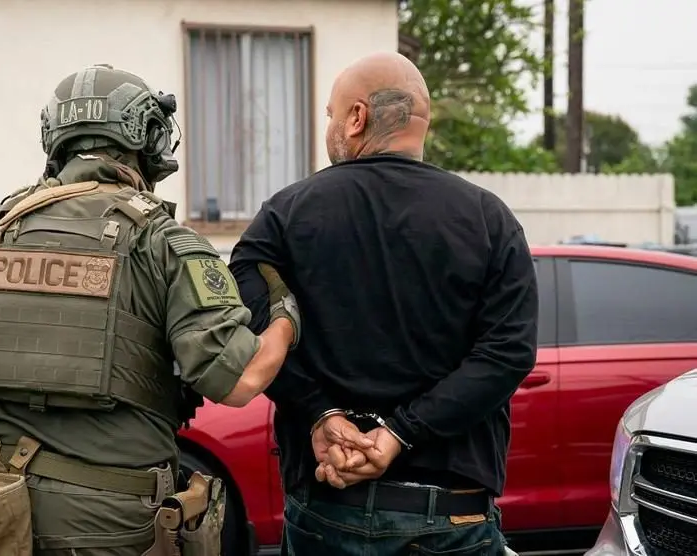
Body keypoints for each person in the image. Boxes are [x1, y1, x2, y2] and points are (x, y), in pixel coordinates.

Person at [0, 64, 301, 556]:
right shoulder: (165, 243)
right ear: (147, 137)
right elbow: (239, 379)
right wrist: (284, 319)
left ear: (56, 138)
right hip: (116, 526)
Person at [228, 52, 538, 555]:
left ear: (357, 117)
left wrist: (320, 414)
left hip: (327, 512)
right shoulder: (489, 219)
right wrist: (398, 434)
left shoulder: (284, 215)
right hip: (451, 515)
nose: (329, 126)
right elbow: (508, 354)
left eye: (331, 114)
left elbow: (247, 329)